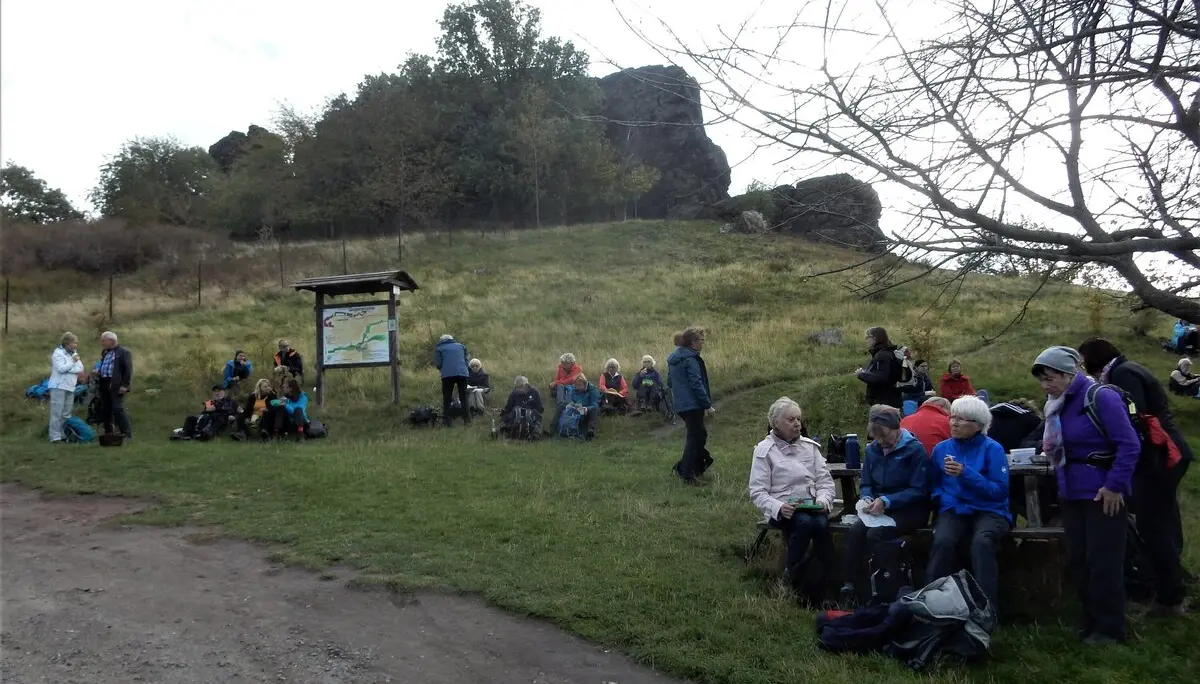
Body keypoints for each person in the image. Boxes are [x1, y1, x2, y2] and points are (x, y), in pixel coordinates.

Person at [1077, 337, 1193, 618]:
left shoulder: (1122, 374)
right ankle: (1175, 580)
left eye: (1083, 359)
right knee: (1163, 521)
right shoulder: (1128, 369)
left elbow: (1133, 418)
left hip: (1159, 456)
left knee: (1153, 526)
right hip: (1166, 453)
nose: (1082, 367)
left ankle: (1168, 599)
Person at [1033, 346, 1139, 644]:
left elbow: (1129, 444)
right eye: (1041, 379)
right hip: (1071, 491)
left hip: (1103, 492)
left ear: (1069, 373)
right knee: (1079, 558)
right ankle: (1090, 619)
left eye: (1050, 377)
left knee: (1104, 559)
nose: (1045, 385)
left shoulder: (1101, 397)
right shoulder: (1057, 402)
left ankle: (1109, 627)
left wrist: (1114, 485)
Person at [925, 396, 1011, 615]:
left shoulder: (993, 449)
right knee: (943, 541)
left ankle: (986, 609)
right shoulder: (941, 449)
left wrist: (966, 473)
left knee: (982, 543)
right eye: (952, 417)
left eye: (961, 419)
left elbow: (998, 491)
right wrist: (943, 500)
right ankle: (930, 602)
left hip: (990, 509)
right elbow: (934, 485)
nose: (953, 423)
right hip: (954, 508)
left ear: (978, 425)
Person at [840, 406, 930, 604]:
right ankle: (849, 587)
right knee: (855, 531)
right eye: (876, 437)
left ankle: (884, 588)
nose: (881, 442)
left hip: (910, 509)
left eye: (885, 436)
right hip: (878, 510)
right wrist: (866, 498)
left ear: (896, 428)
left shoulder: (915, 450)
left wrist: (887, 501)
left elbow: (919, 490)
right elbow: (866, 483)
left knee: (875, 534)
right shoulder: (873, 450)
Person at [748, 397, 836, 598]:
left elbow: (825, 481)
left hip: (811, 505)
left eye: (798, 419)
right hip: (782, 510)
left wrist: (823, 501)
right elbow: (758, 492)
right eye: (790, 420)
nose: (797, 424)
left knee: (821, 524)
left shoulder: (810, 447)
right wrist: (779, 507)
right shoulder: (764, 451)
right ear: (776, 423)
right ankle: (791, 579)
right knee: (804, 523)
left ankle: (828, 582)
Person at [669, 327, 715, 484]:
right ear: (693, 343)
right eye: (701, 340)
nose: (702, 344)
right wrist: (707, 404)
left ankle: (686, 467)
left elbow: (670, 381)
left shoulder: (675, 358)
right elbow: (697, 383)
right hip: (693, 404)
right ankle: (688, 473)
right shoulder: (691, 359)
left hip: (682, 404)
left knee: (699, 435)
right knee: (695, 437)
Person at [48, 332, 86, 443]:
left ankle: (63, 434)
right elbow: (60, 369)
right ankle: (54, 437)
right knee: (57, 412)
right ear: (67, 343)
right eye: (74, 343)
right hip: (58, 386)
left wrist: (70, 367)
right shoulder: (58, 353)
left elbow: (80, 368)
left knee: (66, 413)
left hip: (71, 386)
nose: (75, 345)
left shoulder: (74, 353)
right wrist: (72, 363)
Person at [97, 331, 134, 442]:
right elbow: (106, 366)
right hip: (104, 383)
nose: (102, 343)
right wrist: (98, 372)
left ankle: (127, 433)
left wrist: (125, 385)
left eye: (104, 340)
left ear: (111, 341)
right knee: (105, 409)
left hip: (116, 384)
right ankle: (109, 432)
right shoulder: (105, 352)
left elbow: (128, 369)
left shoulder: (123, 352)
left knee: (118, 409)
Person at [855, 327, 902, 409]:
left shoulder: (882, 355)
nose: (866, 340)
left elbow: (881, 377)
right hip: (891, 400)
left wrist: (861, 374)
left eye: (867, 337)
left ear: (875, 338)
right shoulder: (888, 353)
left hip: (884, 402)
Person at [433, 334, 471, 427]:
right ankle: (467, 420)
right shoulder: (461, 346)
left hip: (447, 376)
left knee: (447, 398)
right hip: (462, 374)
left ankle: (447, 421)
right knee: (463, 397)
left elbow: (438, 364)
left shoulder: (439, 348)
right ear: (452, 339)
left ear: (442, 340)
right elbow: (466, 360)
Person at [562, 374, 601, 440]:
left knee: (594, 410)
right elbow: (570, 401)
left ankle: (591, 430)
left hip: (589, 409)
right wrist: (576, 407)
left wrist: (587, 408)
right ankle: (571, 431)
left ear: (585, 384)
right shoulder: (573, 390)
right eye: (576, 385)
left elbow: (595, 404)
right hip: (577, 409)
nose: (578, 387)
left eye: (580, 385)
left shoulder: (592, 390)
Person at [550, 353, 583, 427]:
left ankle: (562, 403)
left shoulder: (577, 369)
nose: (562, 365)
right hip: (561, 387)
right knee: (557, 388)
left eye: (565, 363)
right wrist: (557, 383)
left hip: (572, 387)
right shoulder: (560, 368)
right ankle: (561, 402)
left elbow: (571, 380)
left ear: (571, 363)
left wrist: (557, 383)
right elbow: (557, 379)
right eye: (562, 363)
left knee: (561, 387)